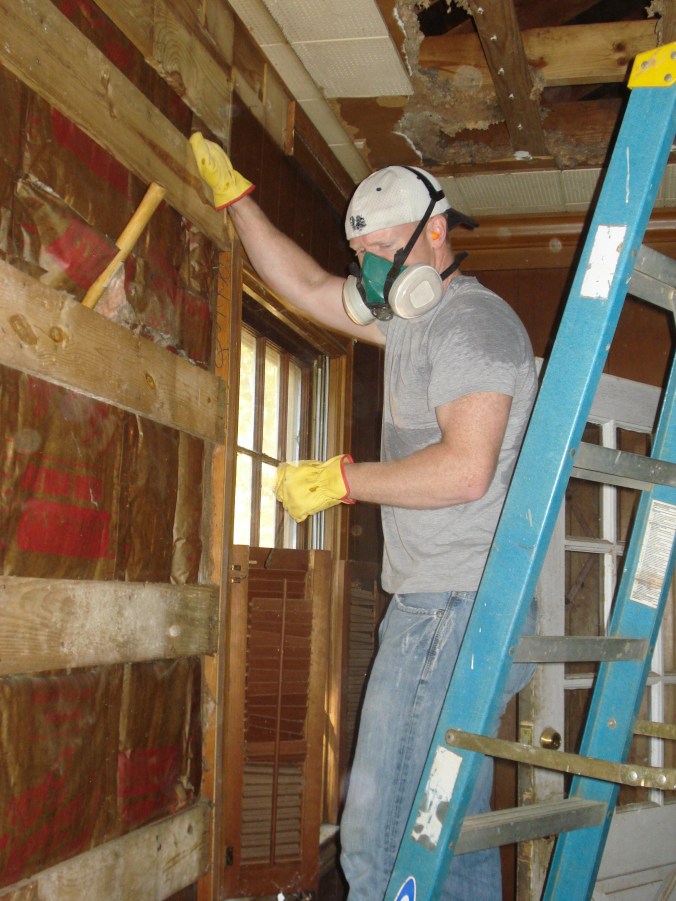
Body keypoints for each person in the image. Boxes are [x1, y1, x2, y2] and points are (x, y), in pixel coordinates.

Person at [190, 133, 538, 901]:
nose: (373, 267)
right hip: (444, 604)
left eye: (387, 247)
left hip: (456, 605)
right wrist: (237, 201)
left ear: (436, 231)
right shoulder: (411, 320)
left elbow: (465, 470)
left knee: (385, 840)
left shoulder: (468, 328)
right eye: (364, 254)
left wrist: (344, 481)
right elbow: (309, 285)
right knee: (449, 837)